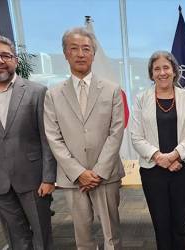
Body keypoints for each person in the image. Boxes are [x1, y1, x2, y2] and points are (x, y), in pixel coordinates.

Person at [0, 35, 56, 250]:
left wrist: (49, 177)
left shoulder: (36, 92)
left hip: (34, 180)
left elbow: (47, 138)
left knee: (42, 236)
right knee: (16, 238)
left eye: (6, 55)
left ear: (15, 60)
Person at [43, 27, 124, 250]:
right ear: (65, 54)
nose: (80, 54)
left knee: (112, 235)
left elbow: (116, 132)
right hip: (72, 179)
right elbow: (53, 136)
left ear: (93, 54)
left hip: (105, 176)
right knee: (83, 236)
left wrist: (97, 172)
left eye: (86, 49)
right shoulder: (53, 94)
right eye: (74, 49)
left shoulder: (112, 90)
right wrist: (79, 173)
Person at [130, 51, 185, 250]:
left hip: (183, 169)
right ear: (151, 74)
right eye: (157, 69)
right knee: (161, 224)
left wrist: (174, 156)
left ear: (175, 71)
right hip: (153, 171)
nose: (162, 72)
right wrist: (160, 157)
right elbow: (136, 136)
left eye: (166, 67)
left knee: (180, 224)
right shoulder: (141, 98)